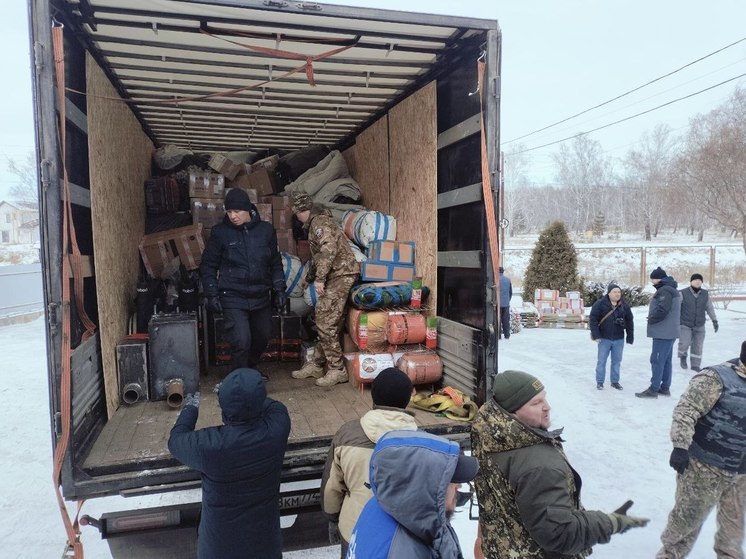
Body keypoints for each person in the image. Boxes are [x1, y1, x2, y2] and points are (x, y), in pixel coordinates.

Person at [471, 370, 649, 558]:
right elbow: (560, 535)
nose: (547, 407)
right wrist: (611, 522)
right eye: (536, 403)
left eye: (544, 399)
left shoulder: (490, 435)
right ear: (513, 411)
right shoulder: (539, 466)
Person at [167, 368, 291, 559]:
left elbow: (176, 440)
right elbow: (273, 406)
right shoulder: (277, 429)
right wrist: (241, 396)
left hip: (218, 551)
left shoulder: (210, 446)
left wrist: (191, 408)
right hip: (265, 548)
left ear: (223, 404)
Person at [656, 341, 746, 559]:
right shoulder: (716, 378)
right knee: (685, 524)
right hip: (704, 469)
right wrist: (680, 446)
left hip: (741, 474)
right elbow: (686, 410)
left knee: (733, 535)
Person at [321, 368, 418, 558]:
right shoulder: (421, 442)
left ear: (373, 396)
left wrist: (332, 518)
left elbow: (331, 486)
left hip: (354, 530)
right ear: (408, 400)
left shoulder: (346, 434)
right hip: (401, 536)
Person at [346, 429, 479, 558]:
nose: (459, 486)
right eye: (451, 479)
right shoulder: (407, 551)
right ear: (424, 486)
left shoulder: (382, 505)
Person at [200, 188, 286, 375]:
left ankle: (250, 368)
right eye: (229, 211)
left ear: (248, 209)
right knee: (241, 340)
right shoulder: (220, 233)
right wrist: (211, 293)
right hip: (232, 295)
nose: (233, 216)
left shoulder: (266, 231)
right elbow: (208, 266)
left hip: (260, 295)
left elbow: (275, 262)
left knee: (262, 337)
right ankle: (240, 378)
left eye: (237, 211)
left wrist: (279, 289)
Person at [290, 193, 360, 386]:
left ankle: (337, 370)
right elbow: (320, 256)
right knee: (330, 322)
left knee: (323, 320)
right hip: (339, 274)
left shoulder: (319, 223)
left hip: (341, 274)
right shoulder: (317, 222)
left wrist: (319, 279)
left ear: (300, 211)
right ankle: (318, 364)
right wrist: (309, 278)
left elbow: (328, 250)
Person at [636, 267, 682, 399]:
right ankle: (665, 387)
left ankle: (653, 389)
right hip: (670, 331)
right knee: (666, 360)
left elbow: (663, 309)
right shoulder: (671, 289)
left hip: (663, 332)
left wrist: (652, 319)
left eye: (653, 279)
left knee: (656, 360)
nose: (653, 282)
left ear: (659, 278)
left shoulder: (664, 290)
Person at [588, 283, 634, 390]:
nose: (617, 294)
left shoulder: (624, 305)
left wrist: (630, 336)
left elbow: (629, 321)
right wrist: (596, 335)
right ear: (609, 293)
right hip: (604, 338)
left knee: (616, 361)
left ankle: (615, 381)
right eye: (615, 292)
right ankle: (600, 382)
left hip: (619, 339)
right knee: (601, 361)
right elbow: (593, 320)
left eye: (619, 292)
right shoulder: (600, 304)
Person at [678, 273, 719, 373]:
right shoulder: (682, 293)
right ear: (691, 281)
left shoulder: (705, 294)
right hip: (685, 323)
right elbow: (676, 308)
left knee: (698, 345)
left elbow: (709, 307)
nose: (697, 281)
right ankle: (683, 356)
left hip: (700, 324)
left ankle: (695, 365)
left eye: (699, 280)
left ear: (702, 282)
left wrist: (714, 320)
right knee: (685, 342)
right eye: (695, 280)